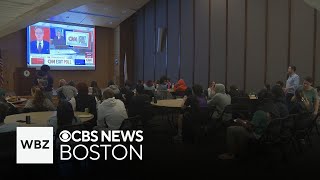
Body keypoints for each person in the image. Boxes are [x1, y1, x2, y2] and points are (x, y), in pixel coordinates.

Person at [219, 90, 280, 160]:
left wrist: (241, 122)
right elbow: (258, 122)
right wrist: (247, 122)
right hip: (271, 134)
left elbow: (250, 128)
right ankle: (241, 151)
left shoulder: (260, 111)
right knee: (240, 128)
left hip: (259, 135)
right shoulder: (274, 107)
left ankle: (231, 154)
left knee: (231, 129)